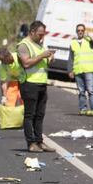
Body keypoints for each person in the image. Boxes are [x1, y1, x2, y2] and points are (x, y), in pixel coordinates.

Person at [17, 20, 56, 153]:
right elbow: (26, 63)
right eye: (39, 34)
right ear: (32, 32)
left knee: (40, 115)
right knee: (30, 115)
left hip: (41, 84)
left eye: (43, 34)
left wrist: (50, 58)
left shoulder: (40, 45)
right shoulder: (23, 45)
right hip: (29, 84)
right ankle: (31, 143)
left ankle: (39, 141)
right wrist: (42, 56)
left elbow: (42, 63)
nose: (42, 37)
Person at [68, 23, 93, 116]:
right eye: (78, 30)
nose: (80, 32)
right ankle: (83, 109)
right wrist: (70, 70)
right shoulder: (73, 43)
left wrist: (89, 35)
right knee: (81, 91)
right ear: (76, 32)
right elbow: (71, 58)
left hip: (88, 70)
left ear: (84, 31)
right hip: (78, 70)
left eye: (82, 30)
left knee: (90, 90)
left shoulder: (89, 40)